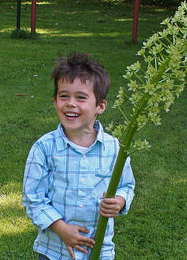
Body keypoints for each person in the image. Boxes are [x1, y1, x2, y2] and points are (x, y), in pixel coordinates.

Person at [22, 52, 135, 260]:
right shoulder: (44, 148)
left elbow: (127, 185)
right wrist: (62, 229)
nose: (71, 103)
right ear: (55, 101)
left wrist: (119, 200)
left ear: (100, 106)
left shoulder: (115, 148)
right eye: (64, 96)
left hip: (99, 251)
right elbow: (33, 198)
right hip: (54, 251)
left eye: (81, 97)